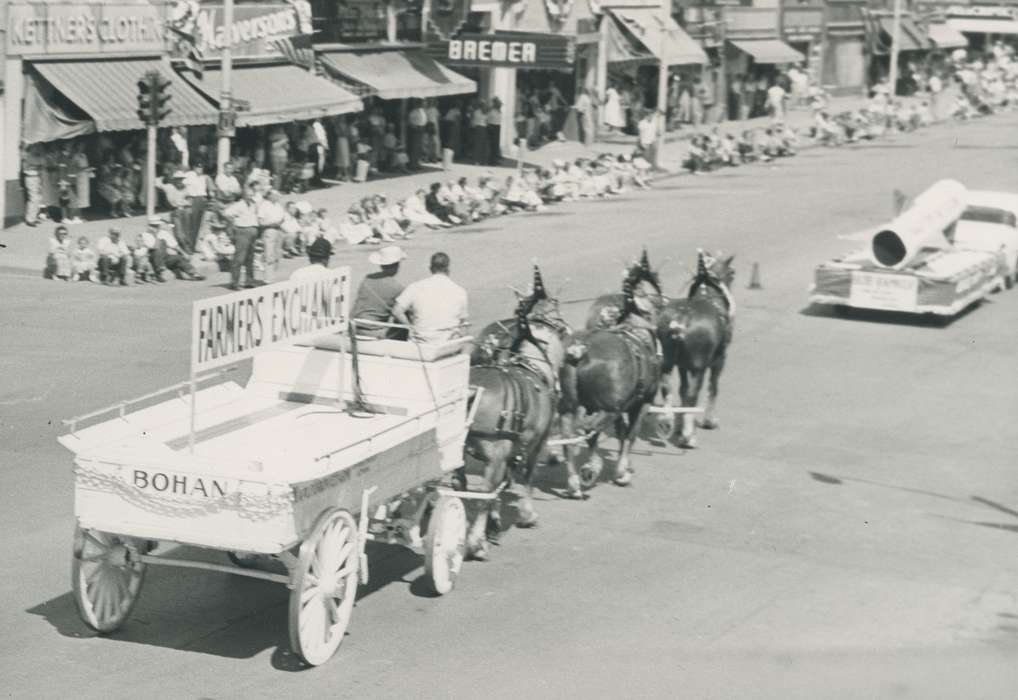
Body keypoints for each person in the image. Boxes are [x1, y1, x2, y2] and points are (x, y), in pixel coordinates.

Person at [392, 252, 468, 344]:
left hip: (421, 342)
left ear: (430, 269)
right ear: (448, 269)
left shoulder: (415, 287)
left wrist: (410, 327)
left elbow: (396, 311)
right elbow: (462, 322)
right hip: (447, 343)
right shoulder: (460, 291)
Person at [352, 245, 408, 339]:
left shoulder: (368, 278)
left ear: (381, 265)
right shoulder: (397, 288)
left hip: (354, 326)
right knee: (404, 323)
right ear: (397, 265)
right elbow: (401, 312)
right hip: (374, 331)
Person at [222, 189, 260, 290]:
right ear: (244, 196)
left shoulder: (254, 204)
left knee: (250, 258)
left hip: (252, 231)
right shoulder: (239, 205)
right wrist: (234, 223)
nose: (250, 197)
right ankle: (234, 282)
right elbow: (226, 213)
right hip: (243, 231)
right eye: (248, 195)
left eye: (252, 195)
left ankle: (249, 281)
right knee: (239, 258)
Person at [487, 97, 503, 164]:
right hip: (492, 126)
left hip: (497, 126)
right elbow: (488, 119)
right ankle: (492, 160)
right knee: (493, 144)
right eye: (498, 104)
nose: (500, 105)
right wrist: (490, 127)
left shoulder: (499, 111)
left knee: (496, 144)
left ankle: (495, 159)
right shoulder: (491, 111)